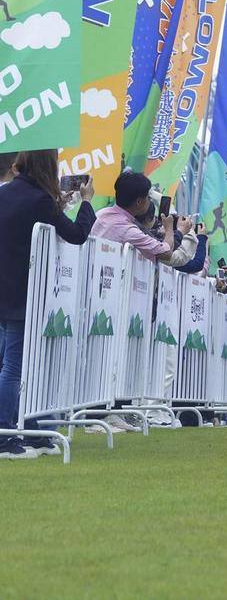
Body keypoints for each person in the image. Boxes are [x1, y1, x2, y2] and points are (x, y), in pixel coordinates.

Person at [0, 150, 96, 459]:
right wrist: (86, 202)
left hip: (5, 291)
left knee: (13, 365)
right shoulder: (41, 200)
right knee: (16, 368)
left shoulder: (7, 193)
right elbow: (77, 234)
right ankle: (5, 435)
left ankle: (30, 426)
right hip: (24, 294)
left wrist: (58, 206)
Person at [91, 171, 198, 266]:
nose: (149, 201)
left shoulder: (101, 214)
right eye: (148, 197)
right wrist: (169, 228)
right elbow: (166, 253)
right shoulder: (128, 230)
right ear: (139, 202)